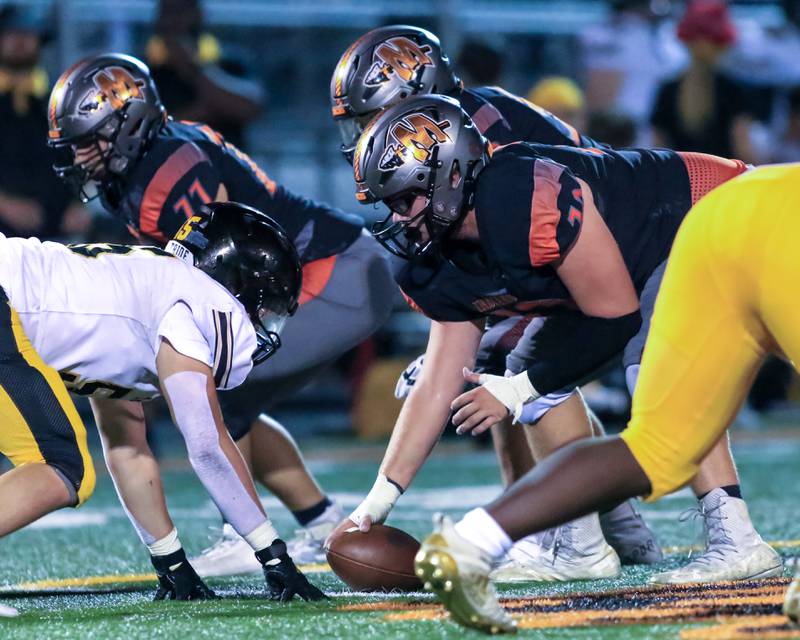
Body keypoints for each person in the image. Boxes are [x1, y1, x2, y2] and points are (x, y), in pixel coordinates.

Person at [332, 25, 778, 585]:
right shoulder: (439, 230)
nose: (398, 217)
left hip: (695, 217)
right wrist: (373, 506)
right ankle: (580, 539)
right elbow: (442, 377)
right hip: (600, 252)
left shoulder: (514, 181)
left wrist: (515, 377)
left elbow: (614, 313)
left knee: (644, 364)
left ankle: (731, 535)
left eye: (405, 197)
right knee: (510, 368)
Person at [414, 162, 800, 634]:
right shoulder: (513, 183)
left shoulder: (504, 183)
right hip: (764, 223)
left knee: (653, 446)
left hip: (715, 219)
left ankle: (470, 541)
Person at [47, 53, 394, 576]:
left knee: (214, 384)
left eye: (90, 139)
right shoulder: (145, 164)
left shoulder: (166, 171)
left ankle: (241, 534)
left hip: (335, 271)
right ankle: (321, 520)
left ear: (130, 123)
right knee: (228, 394)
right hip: (316, 273)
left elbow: (216, 274)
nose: (81, 155)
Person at [0, 201, 325, 601]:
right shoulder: (192, 302)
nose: (262, 322)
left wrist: (170, 563)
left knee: (66, 459)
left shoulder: (137, 295)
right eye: (264, 307)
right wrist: (275, 556)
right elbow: (208, 447)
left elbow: (127, 445)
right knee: (61, 468)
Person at [0, 5, 88, 239]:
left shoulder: (58, 100)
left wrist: (78, 202)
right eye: (11, 33)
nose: (20, 40)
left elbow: (73, 158)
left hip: (56, 234)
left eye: (28, 34)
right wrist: (4, 204)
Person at [145, 0, 263, 149]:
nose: (174, 21)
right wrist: (212, 110)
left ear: (198, 14)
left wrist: (191, 68)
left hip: (228, 166)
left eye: (181, 12)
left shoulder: (230, 62)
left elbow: (249, 107)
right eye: (167, 12)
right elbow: (152, 132)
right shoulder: (149, 75)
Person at [650, 0, 756, 162]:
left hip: (679, 183)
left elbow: (656, 150)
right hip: (725, 184)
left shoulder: (667, 89)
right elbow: (744, 150)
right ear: (723, 44)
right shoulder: (735, 90)